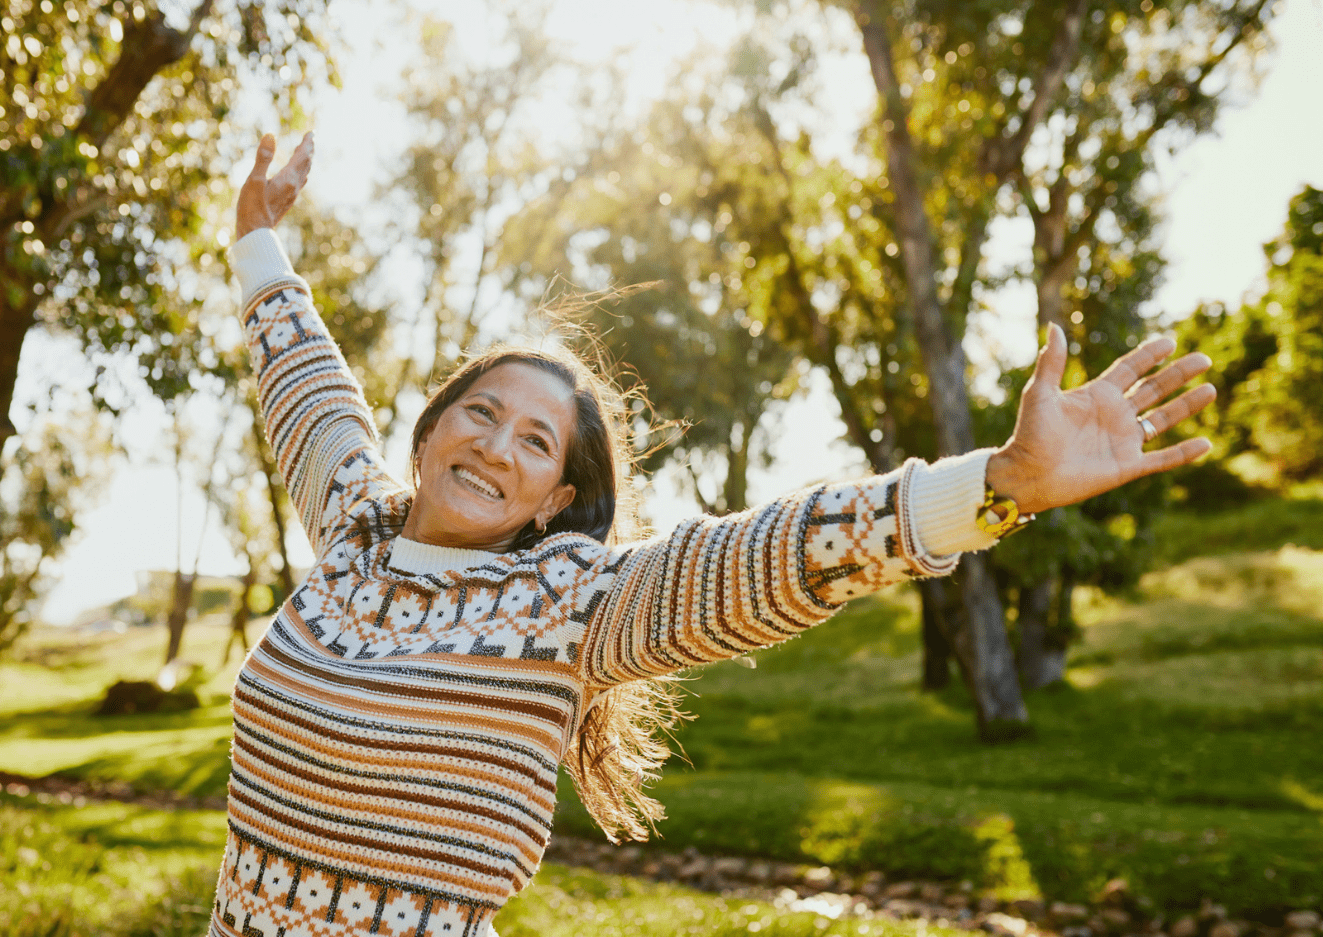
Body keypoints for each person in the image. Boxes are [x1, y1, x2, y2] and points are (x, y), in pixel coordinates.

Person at [208, 132, 1216, 937]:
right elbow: (303, 373)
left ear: (555, 499)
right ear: (428, 432)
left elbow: (758, 555)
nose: (496, 447)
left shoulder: (566, 606)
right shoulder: (352, 523)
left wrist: (998, 483)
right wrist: (255, 232)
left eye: (533, 441)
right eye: (479, 413)